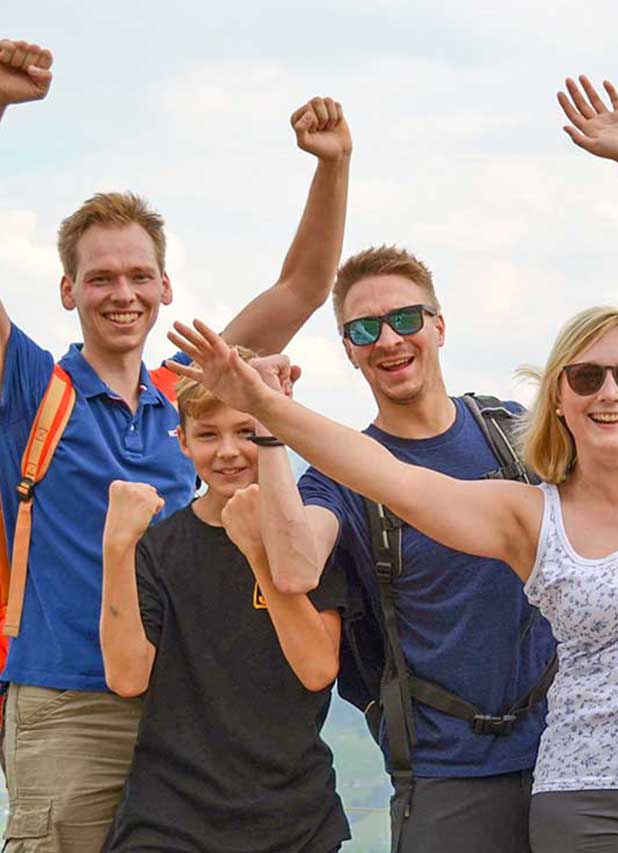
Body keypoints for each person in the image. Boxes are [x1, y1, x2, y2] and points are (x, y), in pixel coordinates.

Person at [169, 75, 618, 852]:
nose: (610, 393)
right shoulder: (525, 509)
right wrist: (270, 416)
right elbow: (381, 477)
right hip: (533, 779)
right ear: (559, 397)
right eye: (586, 378)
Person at [0, 37, 353, 851]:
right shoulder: (33, 391)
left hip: (186, 709)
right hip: (71, 701)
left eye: (137, 275)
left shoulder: (191, 391)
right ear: (67, 290)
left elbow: (303, 287)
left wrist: (331, 165)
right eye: (99, 278)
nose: (120, 293)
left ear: (164, 285)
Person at [293, 242, 556, 852]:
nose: (388, 339)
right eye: (364, 328)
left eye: (405, 319)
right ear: (348, 349)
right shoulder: (338, 475)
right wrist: (267, 429)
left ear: (439, 326)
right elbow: (299, 561)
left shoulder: (518, 433)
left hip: (567, 754)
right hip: (445, 774)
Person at [98, 352, 349, 851]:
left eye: (246, 432)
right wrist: (117, 548)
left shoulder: (308, 536)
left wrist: (258, 551)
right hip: (170, 818)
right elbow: (127, 678)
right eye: (209, 435)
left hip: (292, 820)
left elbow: (318, 668)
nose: (229, 451)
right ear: (184, 442)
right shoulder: (160, 547)